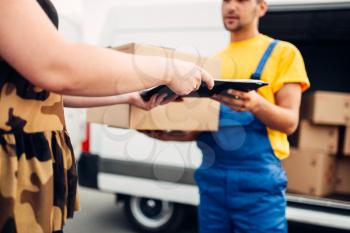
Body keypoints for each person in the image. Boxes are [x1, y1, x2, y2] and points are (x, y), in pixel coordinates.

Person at [0, 0, 214, 233]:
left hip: (27, 165)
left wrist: (128, 97)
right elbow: (56, 65)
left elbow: (50, 94)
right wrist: (168, 69)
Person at [142, 0, 310, 232]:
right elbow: (208, 128)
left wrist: (256, 104)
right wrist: (170, 136)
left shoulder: (283, 53)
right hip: (212, 180)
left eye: (241, 0)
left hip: (258, 184)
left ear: (261, 7)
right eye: (226, 0)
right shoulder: (211, 64)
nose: (231, 6)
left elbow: (290, 122)